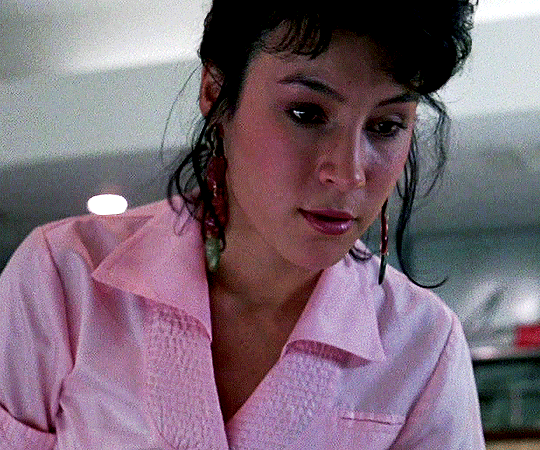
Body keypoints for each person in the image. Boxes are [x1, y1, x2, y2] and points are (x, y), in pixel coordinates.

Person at [0, 0, 485, 448]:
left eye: (386, 126)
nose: (349, 173)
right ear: (215, 91)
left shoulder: (423, 345)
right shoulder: (65, 278)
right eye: (306, 113)